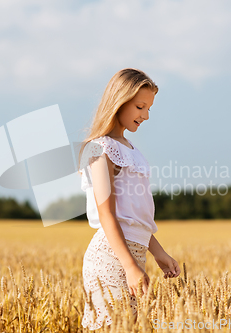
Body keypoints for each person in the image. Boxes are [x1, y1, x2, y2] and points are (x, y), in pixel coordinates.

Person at [77, 68, 181, 330]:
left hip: (134, 256)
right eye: (140, 106)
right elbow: (108, 215)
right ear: (120, 101)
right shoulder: (101, 149)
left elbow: (134, 219)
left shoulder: (132, 150)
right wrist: (129, 266)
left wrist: (159, 254)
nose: (145, 116)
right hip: (112, 259)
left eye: (149, 109)